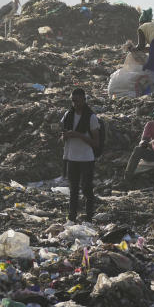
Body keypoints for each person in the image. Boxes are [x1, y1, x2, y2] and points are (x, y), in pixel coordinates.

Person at [61, 87, 100, 222]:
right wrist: (65, 136)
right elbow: (63, 136)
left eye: (77, 101)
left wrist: (77, 135)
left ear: (84, 100)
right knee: (73, 190)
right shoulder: (68, 115)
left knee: (87, 189)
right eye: (73, 101)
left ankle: (89, 217)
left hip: (86, 159)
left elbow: (96, 142)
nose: (75, 104)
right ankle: (72, 217)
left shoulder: (91, 117)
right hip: (72, 157)